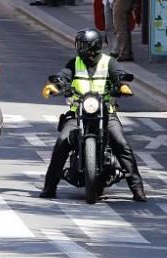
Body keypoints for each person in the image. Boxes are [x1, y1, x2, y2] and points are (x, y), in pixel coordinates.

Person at [39, 28, 146, 202]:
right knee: (61, 142)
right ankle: (49, 186)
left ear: (92, 47)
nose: (79, 48)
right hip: (78, 114)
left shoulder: (108, 62)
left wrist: (122, 85)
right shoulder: (74, 63)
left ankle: (137, 188)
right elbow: (63, 76)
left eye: (82, 45)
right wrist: (55, 85)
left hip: (106, 113)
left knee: (121, 144)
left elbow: (119, 74)